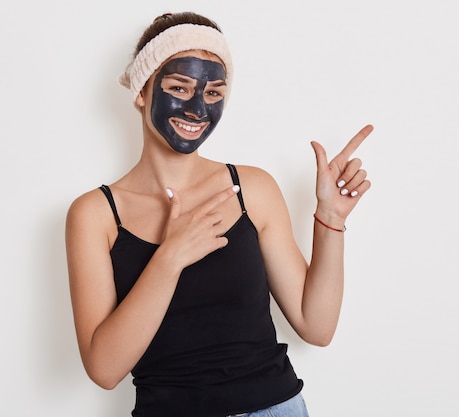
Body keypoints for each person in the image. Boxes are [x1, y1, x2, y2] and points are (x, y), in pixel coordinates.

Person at [65, 11, 373, 417]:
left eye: (213, 93)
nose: (197, 109)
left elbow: (316, 327)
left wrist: (330, 219)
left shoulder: (253, 189)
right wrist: (171, 257)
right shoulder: (96, 214)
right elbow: (104, 369)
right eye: (179, 87)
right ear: (141, 90)